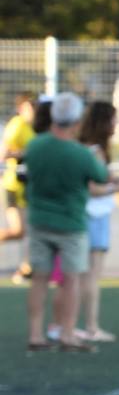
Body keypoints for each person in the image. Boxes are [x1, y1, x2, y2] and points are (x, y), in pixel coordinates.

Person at [22, 92, 112, 353]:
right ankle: (68, 333)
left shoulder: (35, 146)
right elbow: (100, 176)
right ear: (75, 121)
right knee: (70, 280)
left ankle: (36, 334)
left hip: (39, 219)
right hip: (71, 223)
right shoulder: (80, 154)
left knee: (39, 279)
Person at [76, 100, 119, 342]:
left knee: (82, 274)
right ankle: (91, 326)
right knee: (91, 275)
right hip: (94, 215)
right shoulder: (94, 151)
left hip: (89, 214)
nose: (116, 124)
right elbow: (93, 188)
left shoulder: (85, 148)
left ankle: (75, 325)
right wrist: (116, 187)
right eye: (113, 119)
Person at [3, 93, 37, 284]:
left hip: (26, 185)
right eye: (29, 106)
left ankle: (26, 268)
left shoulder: (30, 128)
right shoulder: (16, 125)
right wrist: (26, 153)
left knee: (29, 229)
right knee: (19, 230)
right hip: (12, 185)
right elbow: (5, 153)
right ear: (21, 108)